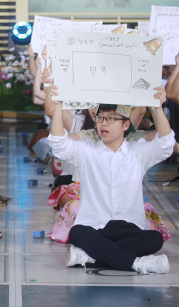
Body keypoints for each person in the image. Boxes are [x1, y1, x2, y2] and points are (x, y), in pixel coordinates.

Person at [48, 85, 174, 274]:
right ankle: (138, 263)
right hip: (95, 227)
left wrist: (156, 107)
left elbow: (166, 144)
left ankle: (91, 257)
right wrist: (58, 107)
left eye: (111, 119)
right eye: (100, 118)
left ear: (125, 124)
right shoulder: (88, 149)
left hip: (129, 227)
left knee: (155, 238)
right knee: (78, 233)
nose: (103, 124)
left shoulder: (138, 151)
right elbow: (59, 145)